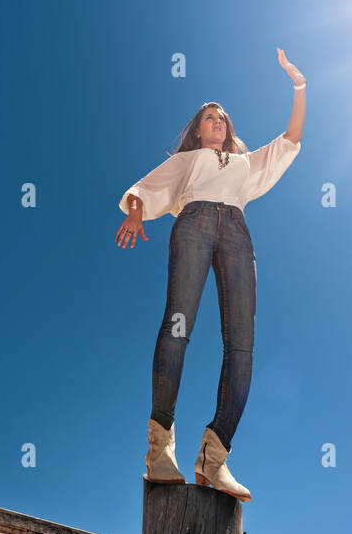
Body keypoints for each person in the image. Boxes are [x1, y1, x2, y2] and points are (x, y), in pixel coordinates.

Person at [116, 48, 306, 503]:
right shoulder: (187, 161)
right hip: (195, 223)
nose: (216, 120)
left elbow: (290, 140)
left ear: (229, 129)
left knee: (241, 344)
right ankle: (161, 449)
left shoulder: (244, 165)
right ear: (198, 129)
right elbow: (145, 188)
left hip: (237, 231)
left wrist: (299, 86)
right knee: (177, 326)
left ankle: (214, 457)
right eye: (208, 117)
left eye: (222, 116)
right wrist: (137, 213)